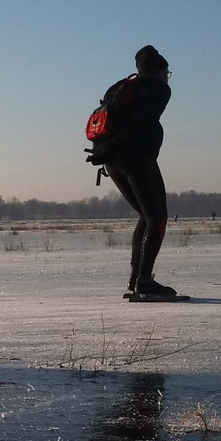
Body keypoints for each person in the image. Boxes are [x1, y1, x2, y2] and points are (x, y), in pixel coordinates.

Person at [87, 45, 174, 299]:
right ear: (158, 72)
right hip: (136, 158)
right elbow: (141, 122)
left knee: (145, 216)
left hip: (112, 161)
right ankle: (144, 280)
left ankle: (136, 277)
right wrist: (116, 146)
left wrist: (105, 151)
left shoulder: (121, 88)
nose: (167, 78)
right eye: (166, 72)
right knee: (157, 217)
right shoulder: (157, 89)